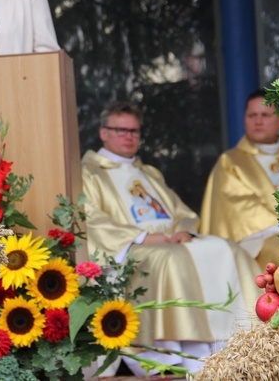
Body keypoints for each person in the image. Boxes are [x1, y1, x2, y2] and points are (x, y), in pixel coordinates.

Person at [82, 101, 260, 374]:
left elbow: (178, 210)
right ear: (103, 132)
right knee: (172, 260)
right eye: (121, 130)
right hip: (134, 245)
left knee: (229, 249)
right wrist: (142, 237)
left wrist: (183, 229)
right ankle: (183, 356)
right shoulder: (89, 173)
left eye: (135, 131)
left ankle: (241, 339)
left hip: (170, 240)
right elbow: (91, 218)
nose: (129, 137)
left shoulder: (148, 172)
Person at [198, 89, 279, 270]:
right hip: (261, 237)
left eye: (265, 115)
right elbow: (238, 209)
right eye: (252, 115)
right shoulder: (231, 162)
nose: (258, 121)